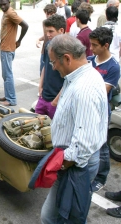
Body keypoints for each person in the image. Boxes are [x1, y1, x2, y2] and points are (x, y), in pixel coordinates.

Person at [41, 34, 108, 224]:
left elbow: (82, 146)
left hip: (76, 164)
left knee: (57, 217)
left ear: (67, 58)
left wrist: (60, 164)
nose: (53, 67)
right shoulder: (79, 76)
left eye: (54, 62)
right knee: (68, 214)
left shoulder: (84, 89)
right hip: (73, 159)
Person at [88, 27, 120, 193]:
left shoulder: (113, 67)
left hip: (100, 112)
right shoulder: (89, 60)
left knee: (101, 146)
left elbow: (101, 92)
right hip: (86, 110)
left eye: (94, 45)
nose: (91, 48)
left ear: (106, 45)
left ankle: (101, 178)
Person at [0, 0, 28, 106]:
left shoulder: (10, 13)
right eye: (0, 4)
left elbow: (25, 26)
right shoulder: (7, 12)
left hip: (7, 49)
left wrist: (19, 40)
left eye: (4, 4)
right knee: (5, 75)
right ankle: (8, 95)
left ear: (9, 2)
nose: (2, 6)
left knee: (8, 74)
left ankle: (11, 99)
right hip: (5, 47)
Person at [36, 14, 65, 119]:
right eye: (46, 31)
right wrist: (40, 86)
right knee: (37, 126)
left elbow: (69, 80)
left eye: (51, 31)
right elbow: (45, 66)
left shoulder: (67, 51)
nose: (47, 35)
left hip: (57, 100)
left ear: (61, 30)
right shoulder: (48, 45)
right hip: (44, 96)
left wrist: (56, 101)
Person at [36, 4, 57, 74]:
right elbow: (45, 36)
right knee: (42, 72)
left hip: (53, 51)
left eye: (51, 14)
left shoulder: (57, 23)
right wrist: (38, 39)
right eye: (47, 14)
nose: (49, 16)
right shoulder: (44, 23)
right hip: (44, 51)